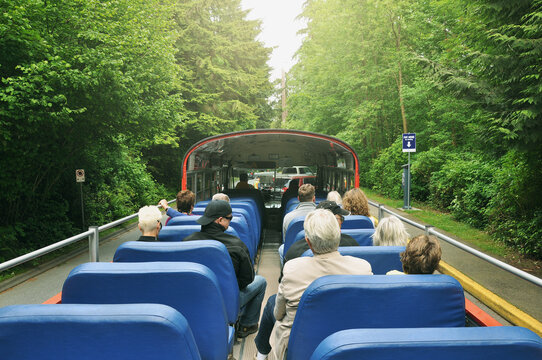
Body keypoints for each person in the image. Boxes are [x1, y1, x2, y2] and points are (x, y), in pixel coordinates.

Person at [254, 209, 373, 360]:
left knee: (272, 302)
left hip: (299, 347)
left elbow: (278, 314)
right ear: (338, 236)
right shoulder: (363, 268)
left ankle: (261, 355)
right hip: (347, 344)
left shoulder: (292, 269)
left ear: (308, 242)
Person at [183, 200, 266, 338]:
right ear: (220, 220)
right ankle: (247, 325)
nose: (231, 221)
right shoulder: (236, 245)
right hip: (226, 300)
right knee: (261, 281)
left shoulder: (187, 242)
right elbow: (248, 278)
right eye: (229, 218)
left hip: (195, 298)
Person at [283, 200, 357, 264]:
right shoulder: (352, 245)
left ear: (308, 241)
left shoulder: (294, 252)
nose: (342, 221)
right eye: (340, 218)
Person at [279, 184, 317, 263]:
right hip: (318, 253)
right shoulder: (324, 216)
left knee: (281, 248)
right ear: (314, 199)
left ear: (298, 198)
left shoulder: (289, 217)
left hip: (293, 257)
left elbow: (286, 241)